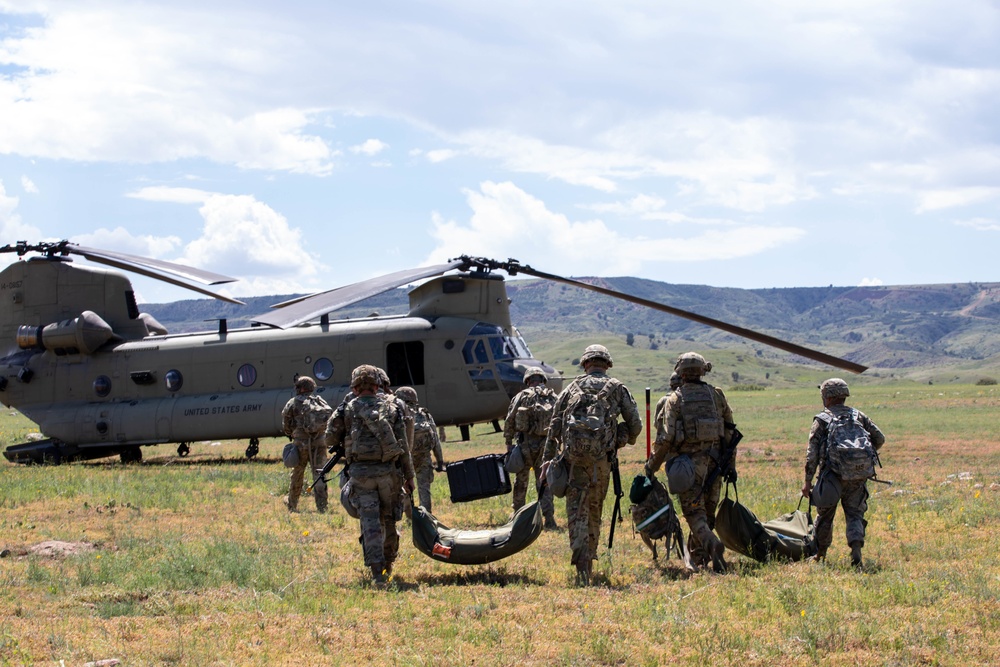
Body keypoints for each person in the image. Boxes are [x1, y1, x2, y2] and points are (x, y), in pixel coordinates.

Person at [542, 344, 642, 584]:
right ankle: (589, 560)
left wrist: (547, 460)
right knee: (594, 511)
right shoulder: (617, 388)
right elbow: (635, 426)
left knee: (576, 511)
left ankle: (580, 562)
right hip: (601, 463)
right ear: (606, 365)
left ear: (585, 364)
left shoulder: (570, 389)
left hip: (572, 461)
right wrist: (619, 439)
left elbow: (554, 426)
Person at [646, 352, 735, 573]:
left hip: (688, 467)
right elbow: (730, 433)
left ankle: (711, 545)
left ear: (681, 372)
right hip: (715, 464)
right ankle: (701, 559)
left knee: (695, 514)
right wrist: (730, 465)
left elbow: (665, 438)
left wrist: (652, 466)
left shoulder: (675, 400)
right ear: (703, 370)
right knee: (708, 513)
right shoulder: (716, 395)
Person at [325, 364, 415, 583]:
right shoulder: (393, 407)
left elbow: (329, 438)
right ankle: (388, 563)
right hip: (389, 475)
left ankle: (377, 573)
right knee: (390, 519)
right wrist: (409, 477)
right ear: (377, 386)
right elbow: (404, 446)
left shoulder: (347, 408)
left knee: (370, 522)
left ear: (355, 387)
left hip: (361, 476)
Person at [802, 378, 886, 568]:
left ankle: (820, 554)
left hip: (832, 476)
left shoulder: (822, 419)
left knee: (825, 515)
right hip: (857, 475)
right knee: (855, 514)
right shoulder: (859, 416)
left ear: (827, 397)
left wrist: (808, 482)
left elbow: (812, 454)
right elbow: (879, 438)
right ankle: (856, 550)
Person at [504, 368, 558, 529]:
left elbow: (510, 420)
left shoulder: (521, 396)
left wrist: (508, 444)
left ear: (527, 381)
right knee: (544, 481)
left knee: (521, 481)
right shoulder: (553, 397)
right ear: (543, 379)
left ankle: (518, 517)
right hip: (546, 446)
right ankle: (549, 519)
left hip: (525, 445)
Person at [281, 376, 333, 513]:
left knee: (297, 474)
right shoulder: (320, 401)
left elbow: (286, 424)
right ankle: (322, 506)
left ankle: (292, 504)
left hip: (301, 445)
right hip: (320, 443)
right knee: (320, 474)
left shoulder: (293, 403)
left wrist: (294, 433)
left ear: (301, 388)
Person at [395, 386, 445, 513]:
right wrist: (440, 461)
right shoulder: (425, 414)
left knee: (405, 487)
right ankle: (427, 516)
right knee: (424, 489)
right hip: (423, 457)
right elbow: (436, 440)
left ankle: (409, 514)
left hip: (404, 459)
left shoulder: (397, 413)